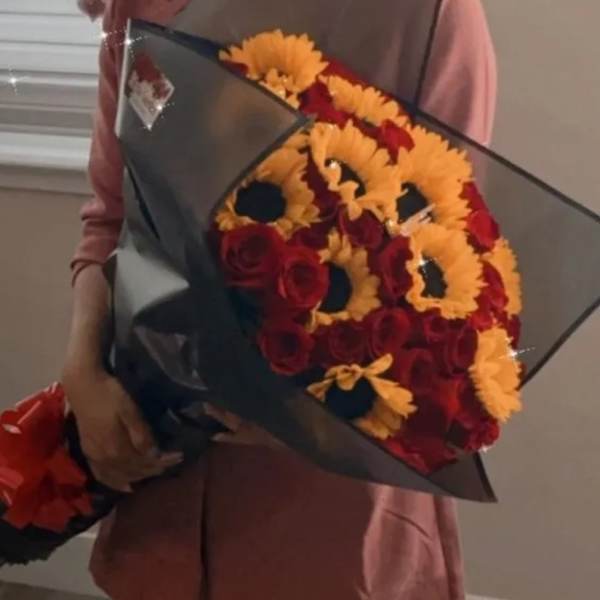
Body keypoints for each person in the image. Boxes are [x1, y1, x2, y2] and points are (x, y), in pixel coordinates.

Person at [65, 0, 497, 598]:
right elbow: (111, 216)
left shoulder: (424, 14)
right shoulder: (140, 5)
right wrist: (82, 373)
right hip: (157, 469)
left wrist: (302, 416)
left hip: (328, 511)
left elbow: (442, 264)